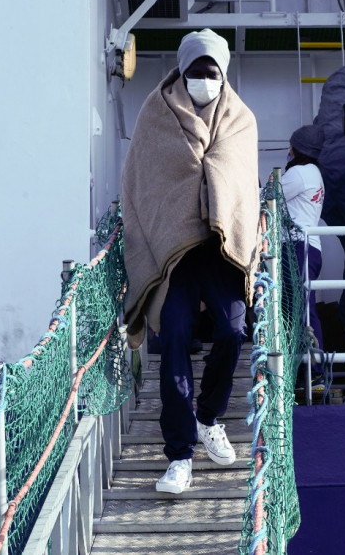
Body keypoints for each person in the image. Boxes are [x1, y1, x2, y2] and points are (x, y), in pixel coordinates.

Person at [120, 29, 259, 494]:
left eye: (212, 72)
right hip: (173, 255)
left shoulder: (240, 118)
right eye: (196, 71)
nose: (204, 79)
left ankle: (208, 417)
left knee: (233, 330)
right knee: (173, 335)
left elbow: (241, 184)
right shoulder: (154, 115)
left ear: (224, 75)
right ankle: (179, 454)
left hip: (221, 253)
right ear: (182, 71)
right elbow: (140, 180)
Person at [281, 125, 326, 385]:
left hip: (298, 247)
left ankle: (314, 373)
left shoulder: (299, 173)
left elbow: (266, 198)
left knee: (302, 309)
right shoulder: (314, 173)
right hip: (308, 247)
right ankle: (307, 372)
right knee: (301, 308)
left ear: (298, 149)